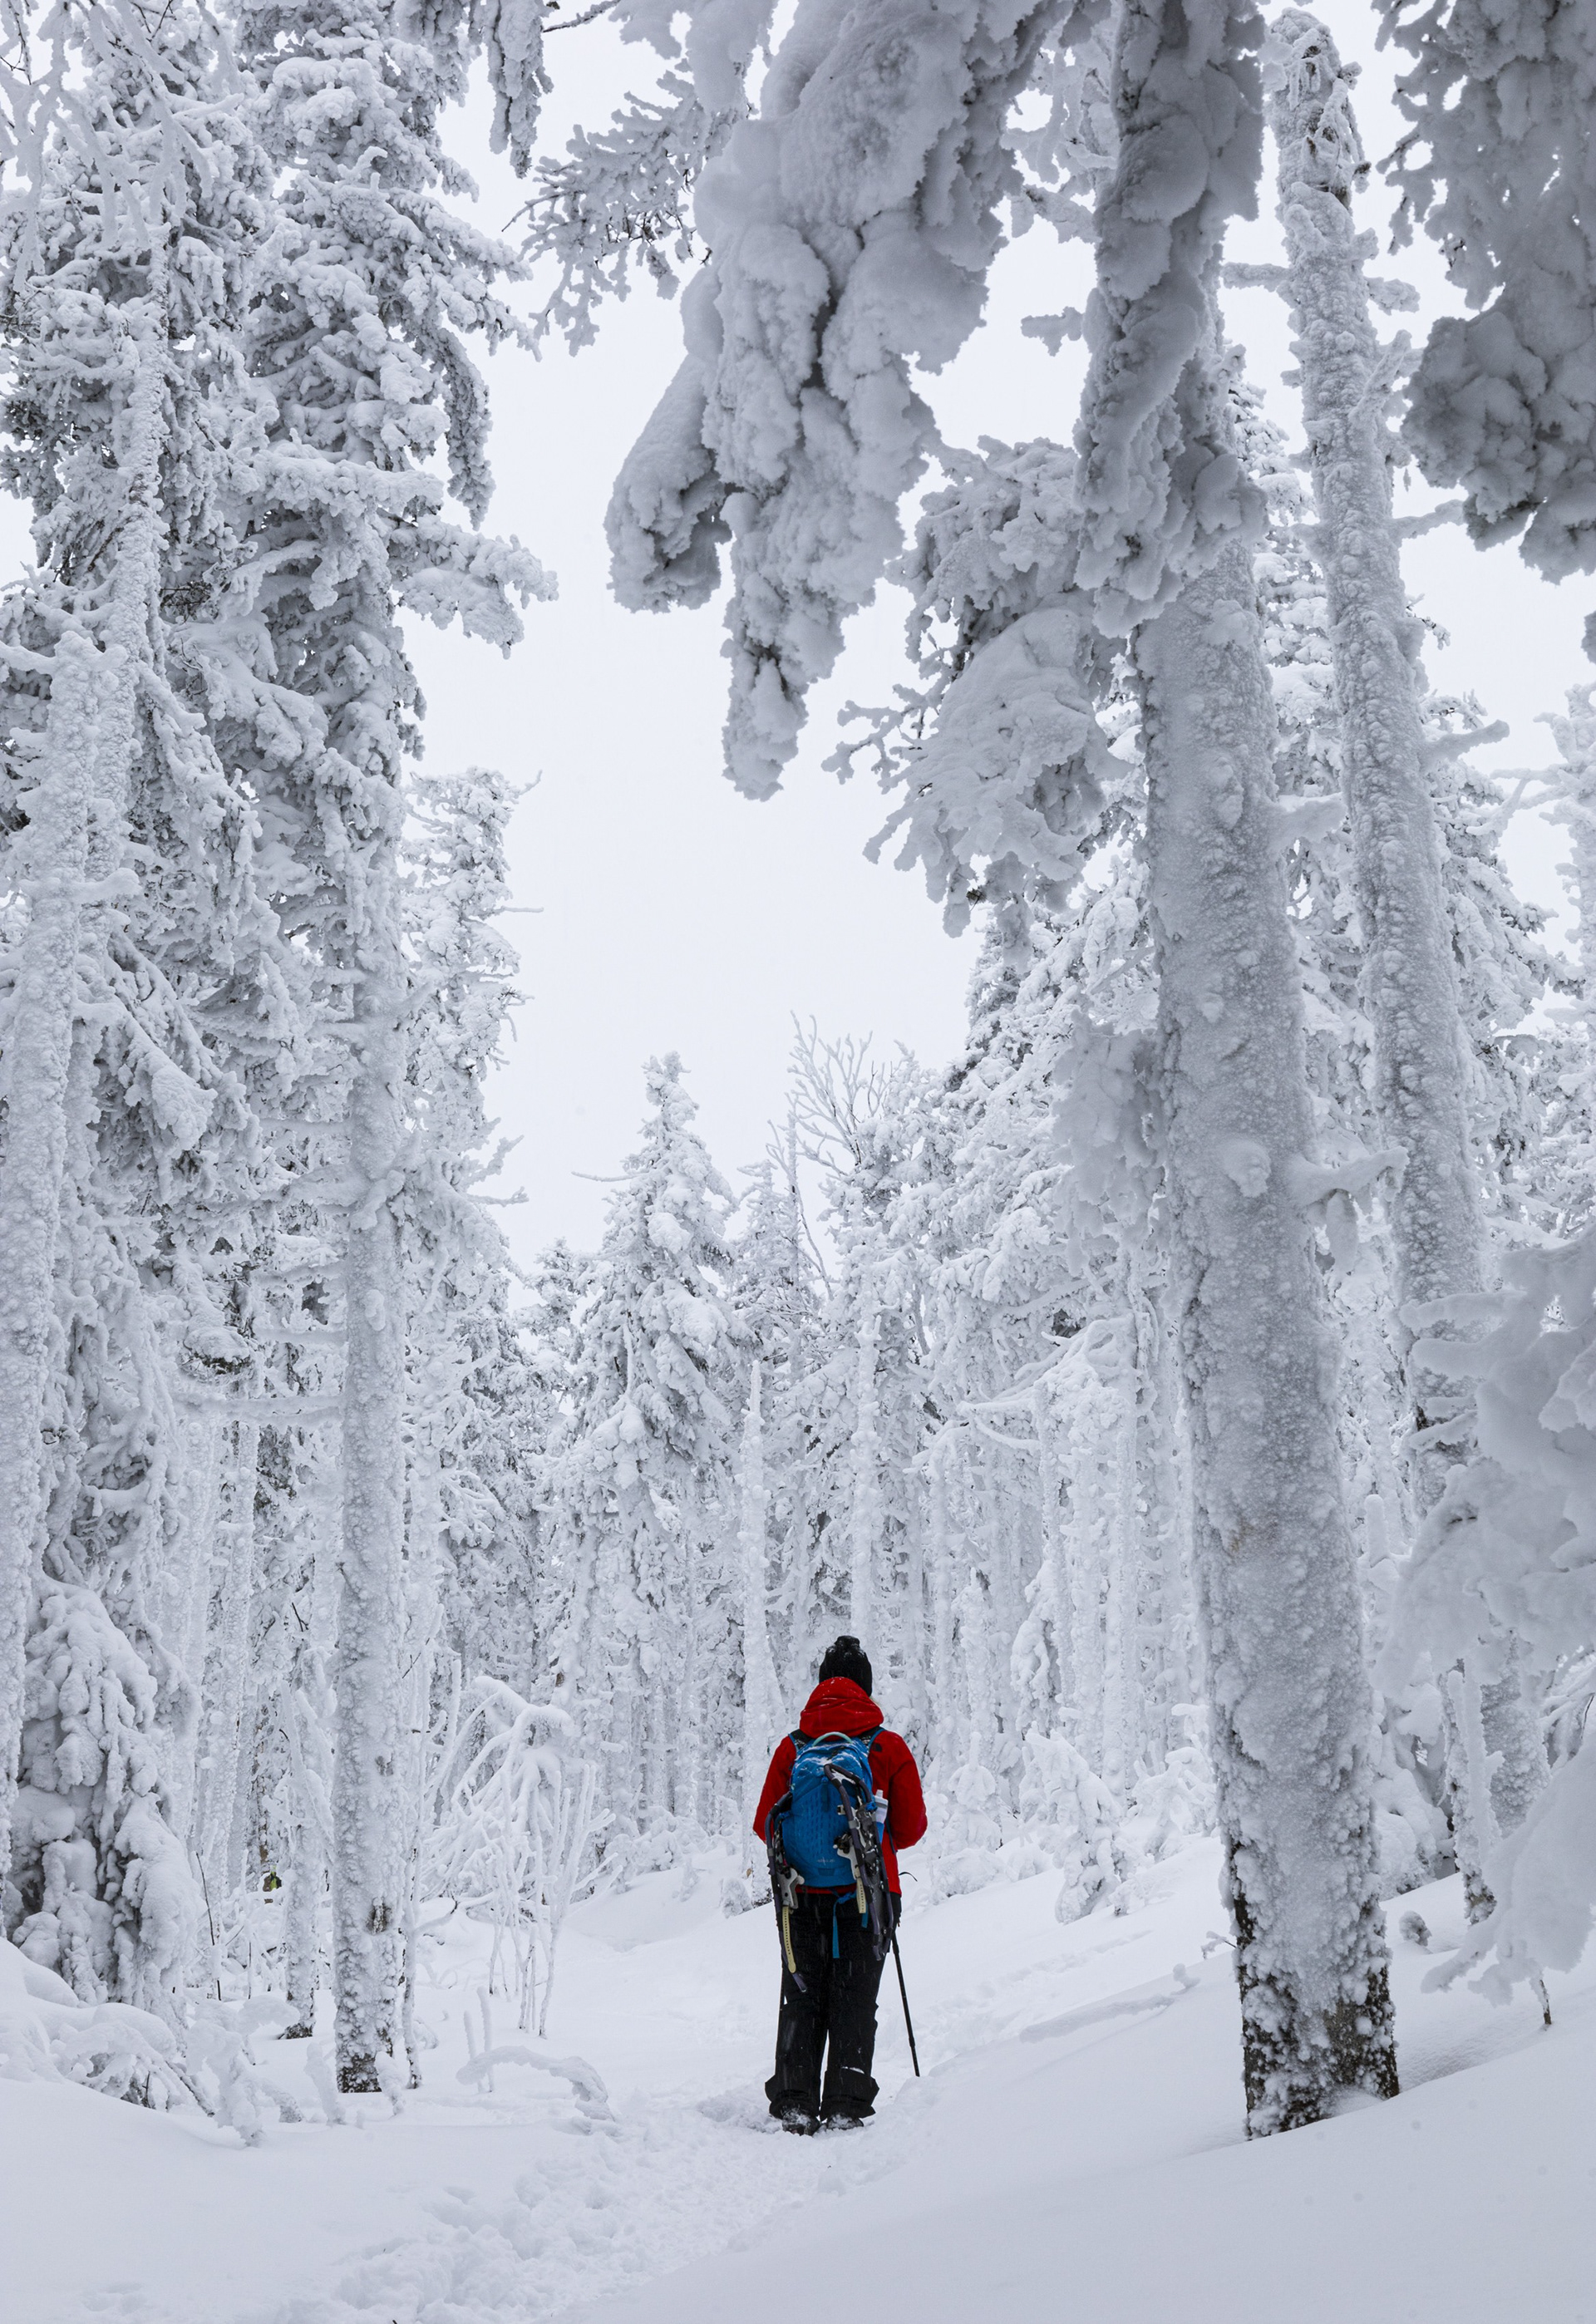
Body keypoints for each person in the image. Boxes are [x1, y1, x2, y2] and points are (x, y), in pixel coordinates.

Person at [752, 1634, 927, 2132]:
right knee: (856, 1995)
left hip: (800, 1894)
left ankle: (795, 2100)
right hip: (869, 1893)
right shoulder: (887, 1746)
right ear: (865, 1687)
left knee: (802, 1992)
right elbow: (911, 1829)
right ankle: (846, 2104)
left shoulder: (793, 1748)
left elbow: (764, 1822)